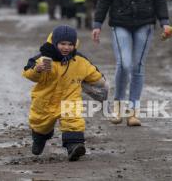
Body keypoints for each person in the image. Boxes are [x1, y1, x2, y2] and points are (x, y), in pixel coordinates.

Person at [92, 0, 172, 126]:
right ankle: (118, 107)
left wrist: (165, 23)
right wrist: (97, 23)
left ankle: (134, 112)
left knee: (137, 67)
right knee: (125, 64)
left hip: (145, 23)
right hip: (120, 23)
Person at [23, 25, 108, 161]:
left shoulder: (79, 60)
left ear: (75, 45)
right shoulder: (42, 58)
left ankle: (74, 146)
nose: (66, 48)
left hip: (70, 98)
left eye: (70, 44)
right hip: (45, 100)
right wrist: (37, 69)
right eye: (62, 44)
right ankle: (39, 139)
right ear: (55, 43)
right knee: (40, 123)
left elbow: (93, 73)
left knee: (73, 120)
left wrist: (101, 84)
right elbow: (28, 73)